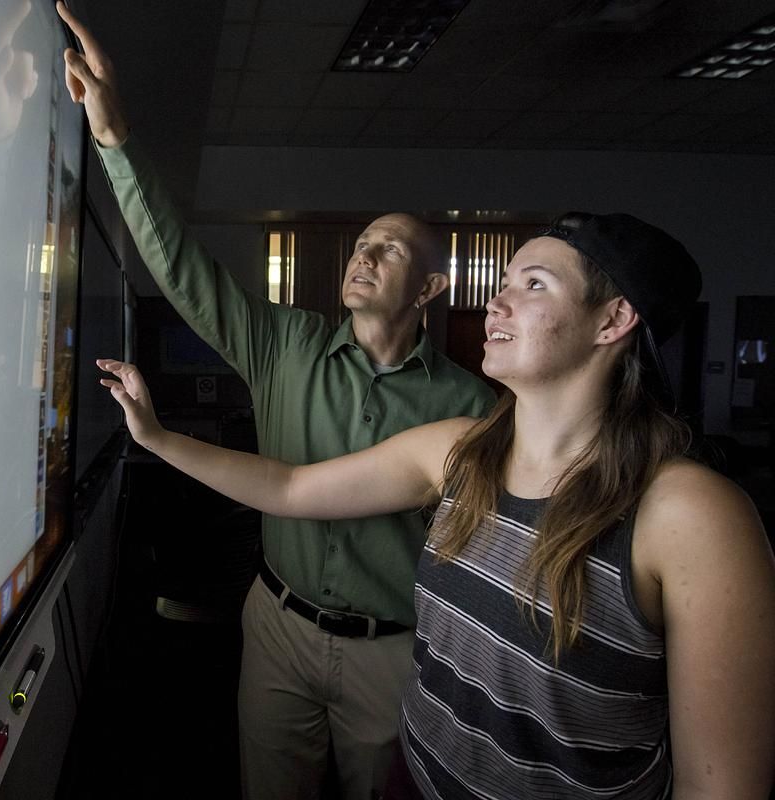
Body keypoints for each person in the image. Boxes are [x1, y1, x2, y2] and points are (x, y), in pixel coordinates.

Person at [97, 212, 775, 799]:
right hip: (417, 783)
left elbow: (719, 784)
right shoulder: (460, 452)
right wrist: (156, 438)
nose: (498, 303)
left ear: (614, 319)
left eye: (533, 284)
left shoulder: (690, 513)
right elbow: (290, 488)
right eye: (503, 282)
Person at [57, 3, 497, 796]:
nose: (364, 255)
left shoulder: (468, 405)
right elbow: (184, 270)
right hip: (278, 626)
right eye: (361, 243)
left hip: (391, 650)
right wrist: (114, 138)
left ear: (430, 288)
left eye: (388, 249)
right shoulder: (285, 343)